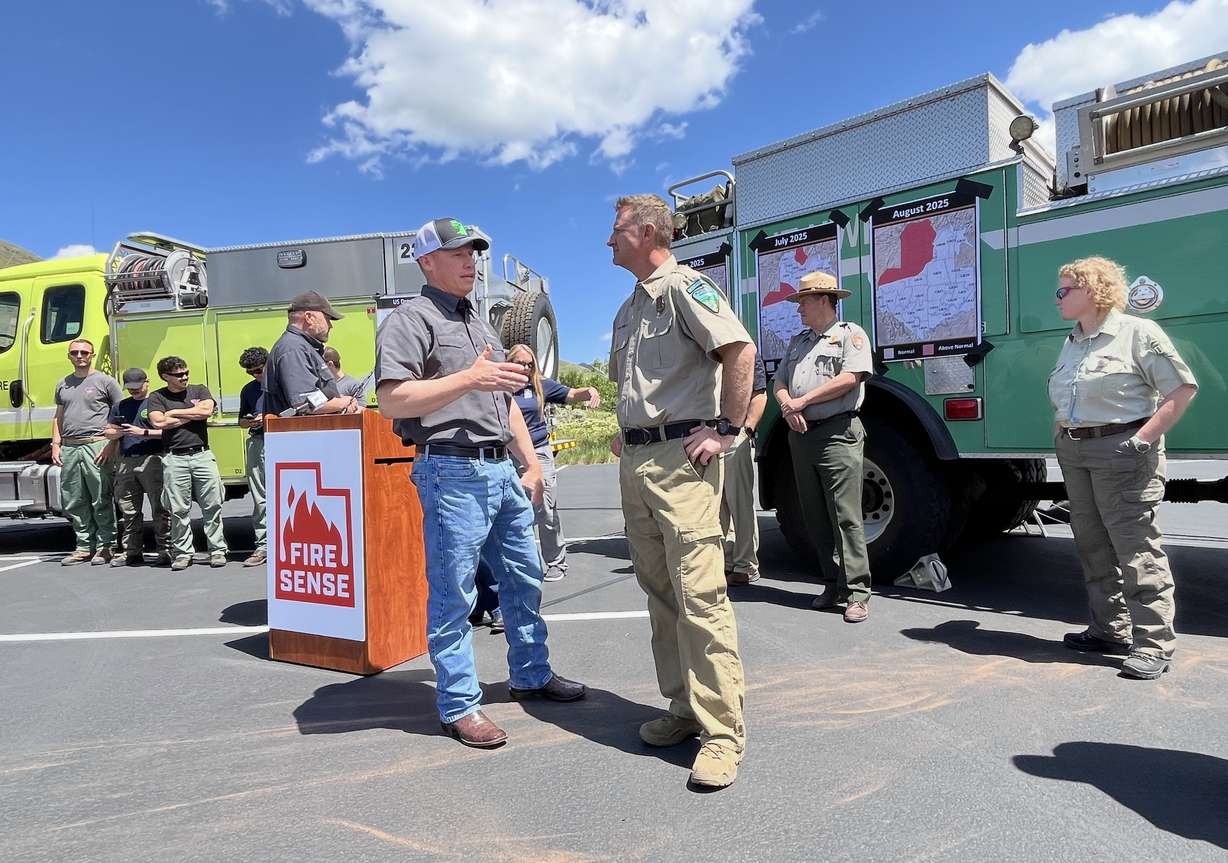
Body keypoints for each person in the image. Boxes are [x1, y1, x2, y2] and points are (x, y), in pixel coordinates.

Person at [376, 217, 585, 749]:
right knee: (454, 594)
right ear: (426, 261)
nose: (471, 261)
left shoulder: (480, 324)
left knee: (524, 579)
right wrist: (471, 376)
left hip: (501, 469)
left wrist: (530, 462)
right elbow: (392, 400)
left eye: (474, 253)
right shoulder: (410, 319)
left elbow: (505, 400)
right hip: (451, 468)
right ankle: (459, 705)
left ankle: (531, 674)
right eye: (458, 253)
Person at [607, 193, 755, 789]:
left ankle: (723, 734)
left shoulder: (685, 288)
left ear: (646, 232)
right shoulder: (628, 308)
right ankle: (683, 710)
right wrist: (628, 434)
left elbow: (739, 349)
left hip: (681, 463)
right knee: (660, 593)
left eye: (617, 230)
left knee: (700, 597)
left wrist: (727, 430)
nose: (608, 240)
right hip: (639, 459)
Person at [1049, 256, 1198, 680]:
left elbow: (1181, 389)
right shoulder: (1073, 340)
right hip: (1077, 452)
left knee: (1135, 548)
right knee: (1092, 545)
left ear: (1094, 291)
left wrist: (1141, 441)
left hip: (1123, 451)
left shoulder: (1137, 332)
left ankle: (1153, 644)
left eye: (1065, 290)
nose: (1057, 298)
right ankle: (1109, 630)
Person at [774, 271, 874, 623]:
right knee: (814, 515)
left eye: (803, 300)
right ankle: (833, 584)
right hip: (801, 435)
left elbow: (850, 378)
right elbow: (781, 380)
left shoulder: (850, 335)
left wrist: (804, 402)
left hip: (837, 433)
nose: (799, 307)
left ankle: (858, 592)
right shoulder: (799, 341)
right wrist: (788, 406)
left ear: (823, 300)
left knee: (845, 515)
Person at [507, 343, 600, 582]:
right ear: (509, 362)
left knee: (545, 509)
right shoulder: (500, 388)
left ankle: (556, 562)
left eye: (530, 364)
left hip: (538, 453)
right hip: (507, 455)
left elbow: (570, 394)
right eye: (521, 364)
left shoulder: (539, 386)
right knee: (513, 514)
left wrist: (588, 391)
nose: (526, 368)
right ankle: (524, 566)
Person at [146, 356, 228, 571]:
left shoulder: (199, 390)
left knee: (212, 504)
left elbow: (206, 411)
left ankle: (217, 550)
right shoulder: (156, 397)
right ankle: (183, 553)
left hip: (202, 455)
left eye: (186, 373)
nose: (184, 377)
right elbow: (157, 421)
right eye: (179, 375)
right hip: (175, 458)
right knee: (178, 508)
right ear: (165, 376)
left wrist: (173, 413)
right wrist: (191, 415)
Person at [51, 339, 122, 566]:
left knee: (100, 496)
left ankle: (106, 546)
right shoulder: (63, 383)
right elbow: (58, 415)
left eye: (84, 352)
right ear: (68, 356)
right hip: (70, 446)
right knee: (74, 498)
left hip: (97, 444)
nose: (79, 356)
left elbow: (120, 415)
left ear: (91, 355)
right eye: (74, 352)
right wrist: (55, 443)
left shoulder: (105, 382)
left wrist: (111, 444)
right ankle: (84, 547)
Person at [102, 368, 170, 566]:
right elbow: (108, 431)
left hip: (153, 458)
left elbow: (167, 431)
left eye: (138, 387)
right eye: (130, 388)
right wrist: (118, 432)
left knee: (160, 506)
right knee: (129, 509)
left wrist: (143, 432)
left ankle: (165, 550)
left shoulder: (156, 402)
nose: (134, 391)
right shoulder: (120, 406)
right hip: (126, 460)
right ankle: (132, 551)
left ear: (147, 382)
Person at [263, 291, 362, 417]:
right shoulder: (294, 349)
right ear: (309, 317)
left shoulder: (300, 347)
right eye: (327, 319)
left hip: (305, 433)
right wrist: (343, 403)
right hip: (300, 434)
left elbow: (313, 398)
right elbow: (304, 404)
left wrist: (337, 398)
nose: (331, 326)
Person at [721, 353, 768, 584]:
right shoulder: (705, 353)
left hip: (735, 436)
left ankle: (746, 566)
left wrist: (746, 430)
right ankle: (726, 561)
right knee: (717, 505)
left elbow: (759, 395)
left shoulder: (745, 353)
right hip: (709, 436)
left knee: (740, 503)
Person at [238, 347, 269, 568]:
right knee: (260, 497)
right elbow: (240, 420)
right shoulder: (248, 390)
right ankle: (264, 545)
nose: (255, 375)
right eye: (250, 372)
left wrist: (268, 417)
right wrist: (249, 421)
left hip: (284, 440)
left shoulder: (281, 384)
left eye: (258, 370)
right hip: (258, 441)